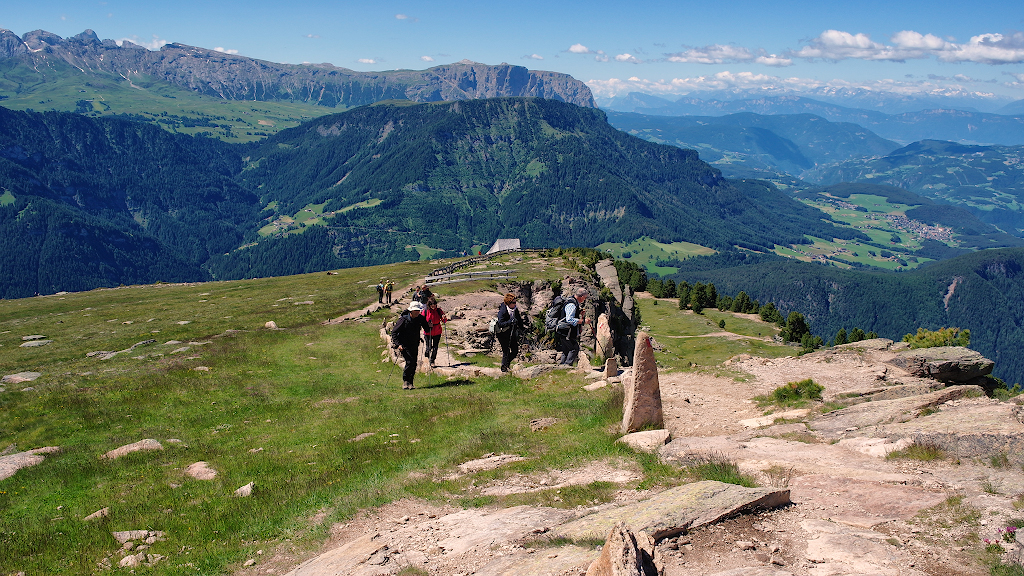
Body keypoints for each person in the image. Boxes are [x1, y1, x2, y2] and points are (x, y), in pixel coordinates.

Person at [391, 301, 432, 389]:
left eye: (418, 310)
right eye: (415, 310)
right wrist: (398, 344)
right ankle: (406, 381)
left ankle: (411, 382)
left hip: (414, 343)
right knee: (409, 362)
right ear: (411, 311)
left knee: (414, 363)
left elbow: (427, 329)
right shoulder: (403, 319)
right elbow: (394, 332)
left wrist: (430, 326)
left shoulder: (420, 318)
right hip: (404, 345)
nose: (417, 312)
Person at [557, 287, 590, 366]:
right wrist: (583, 321)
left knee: (566, 350)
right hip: (567, 331)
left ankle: (562, 366)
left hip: (563, 330)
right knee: (574, 348)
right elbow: (569, 319)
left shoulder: (571, 300)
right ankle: (567, 366)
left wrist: (579, 312)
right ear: (581, 297)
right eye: (584, 298)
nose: (584, 300)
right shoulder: (572, 304)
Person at [495, 293, 524, 372]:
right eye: (513, 303)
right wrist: (510, 322)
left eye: (515, 302)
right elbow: (500, 323)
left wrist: (523, 329)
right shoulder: (503, 311)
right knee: (506, 350)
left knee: (515, 351)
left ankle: (507, 364)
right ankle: (504, 367)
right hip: (502, 333)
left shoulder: (515, 309)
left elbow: (519, 320)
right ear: (508, 303)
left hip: (511, 332)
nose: (515, 304)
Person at [422, 297, 448, 367]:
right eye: (432, 305)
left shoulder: (439, 310)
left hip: (437, 331)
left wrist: (444, 318)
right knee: (429, 347)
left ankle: (432, 360)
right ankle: (427, 355)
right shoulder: (425, 311)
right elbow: (421, 321)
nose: (433, 306)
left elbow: (444, 321)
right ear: (429, 305)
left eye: (434, 304)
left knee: (435, 347)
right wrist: (427, 324)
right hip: (428, 331)